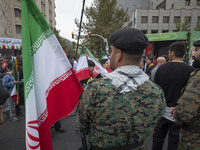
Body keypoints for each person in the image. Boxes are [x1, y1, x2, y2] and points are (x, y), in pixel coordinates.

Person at [77, 28, 166, 150]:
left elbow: (82, 126)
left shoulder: (95, 89)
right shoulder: (156, 91)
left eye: (112, 52)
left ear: (118, 54)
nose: (110, 56)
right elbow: (156, 120)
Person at [152, 42, 195, 150]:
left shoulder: (161, 69)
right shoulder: (191, 71)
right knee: (174, 141)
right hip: (178, 112)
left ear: (172, 52)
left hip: (162, 110)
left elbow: (156, 90)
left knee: (157, 138)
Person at [170, 40, 200, 150]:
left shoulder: (198, 78)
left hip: (193, 140)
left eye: (196, 50)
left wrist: (176, 112)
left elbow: (185, 113)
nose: (193, 54)